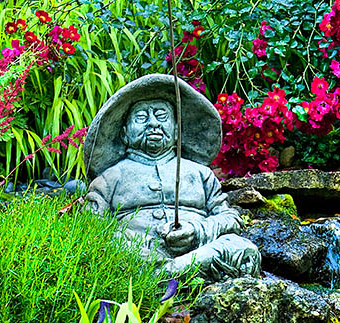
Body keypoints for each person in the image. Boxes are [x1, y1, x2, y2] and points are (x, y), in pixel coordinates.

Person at [84, 74, 261, 280]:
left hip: (198, 251)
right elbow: (92, 229)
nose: (153, 124)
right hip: (141, 254)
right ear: (124, 133)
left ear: (177, 131)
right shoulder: (109, 178)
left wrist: (196, 231)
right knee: (114, 252)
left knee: (242, 250)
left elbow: (230, 218)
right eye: (141, 118)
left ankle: (167, 275)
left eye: (161, 116)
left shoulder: (200, 173)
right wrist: (136, 242)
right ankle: (177, 274)